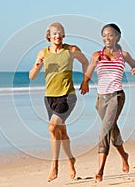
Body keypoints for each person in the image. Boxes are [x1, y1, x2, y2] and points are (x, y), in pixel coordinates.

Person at [79, 23, 135, 182]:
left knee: (104, 130)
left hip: (117, 97)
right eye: (104, 35)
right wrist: (85, 82)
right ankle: (124, 155)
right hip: (101, 99)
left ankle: (100, 170)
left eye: (110, 35)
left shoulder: (123, 55)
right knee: (112, 130)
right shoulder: (96, 55)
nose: (107, 38)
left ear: (117, 37)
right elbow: (90, 70)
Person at [29, 22, 89, 182]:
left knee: (52, 127)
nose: (57, 36)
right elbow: (32, 76)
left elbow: (85, 62)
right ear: (48, 36)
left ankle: (54, 165)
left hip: (67, 96)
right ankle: (71, 159)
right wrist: (37, 66)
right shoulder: (43, 52)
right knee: (61, 133)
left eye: (60, 33)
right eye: (54, 33)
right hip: (50, 97)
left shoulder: (71, 50)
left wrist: (86, 80)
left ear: (64, 35)